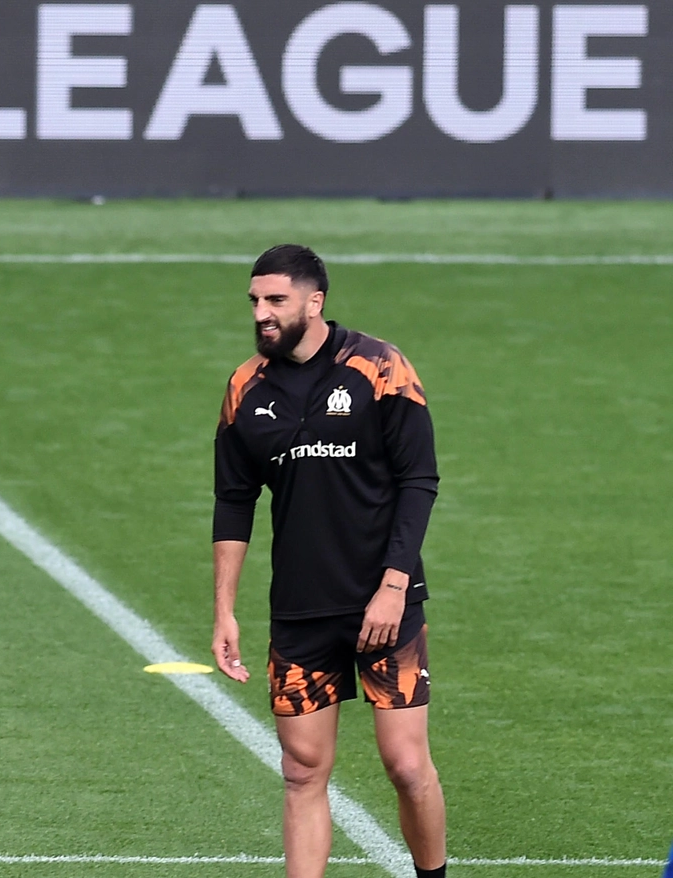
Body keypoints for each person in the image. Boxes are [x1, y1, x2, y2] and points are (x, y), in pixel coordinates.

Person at [210, 244, 447, 878]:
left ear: (315, 303)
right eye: (256, 301)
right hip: (300, 612)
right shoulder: (245, 388)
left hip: (384, 604)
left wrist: (394, 585)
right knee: (302, 771)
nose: (262, 313)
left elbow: (418, 480)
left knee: (405, 764)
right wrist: (224, 611)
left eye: (276, 301)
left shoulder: (379, 367)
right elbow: (233, 505)